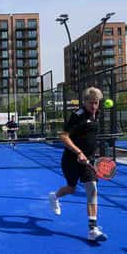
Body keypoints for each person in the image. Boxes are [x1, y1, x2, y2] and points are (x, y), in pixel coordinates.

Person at [49, 87, 107, 242]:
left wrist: (89, 155)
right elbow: (63, 136)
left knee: (92, 189)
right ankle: (54, 196)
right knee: (71, 189)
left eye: (96, 103)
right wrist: (78, 152)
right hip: (70, 160)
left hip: (88, 161)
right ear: (85, 101)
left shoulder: (97, 114)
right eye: (91, 103)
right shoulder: (77, 115)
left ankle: (92, 229)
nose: (94, 106)